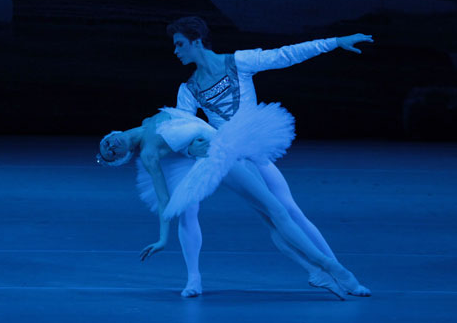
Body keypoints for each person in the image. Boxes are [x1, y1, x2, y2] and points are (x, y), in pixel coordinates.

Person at [167, 16, 373, 296]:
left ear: (197, 41)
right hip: (230, 157)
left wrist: (335, 42)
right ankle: (331, 272)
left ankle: (327, 270)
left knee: (289, 212)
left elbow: (285, 54)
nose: (176, 51)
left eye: (180, 44)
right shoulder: (189, 89)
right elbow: (183, 129)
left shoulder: (238, 62)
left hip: (256, 149)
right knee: (274, 214)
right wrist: (191, 148)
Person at [98, 104, 369, 299]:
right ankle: (333, 267)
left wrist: (190, 146)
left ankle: (314, 270)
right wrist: (162, 239)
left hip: (228, 145)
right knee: (276, 210)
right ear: (121, 157)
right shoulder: (147, 155)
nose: (111, 146)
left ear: (111, 132)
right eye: (111, 153)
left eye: (107, 143)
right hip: (218, 158)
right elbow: (164, 198)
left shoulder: (148, 122)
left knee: (270, 217)